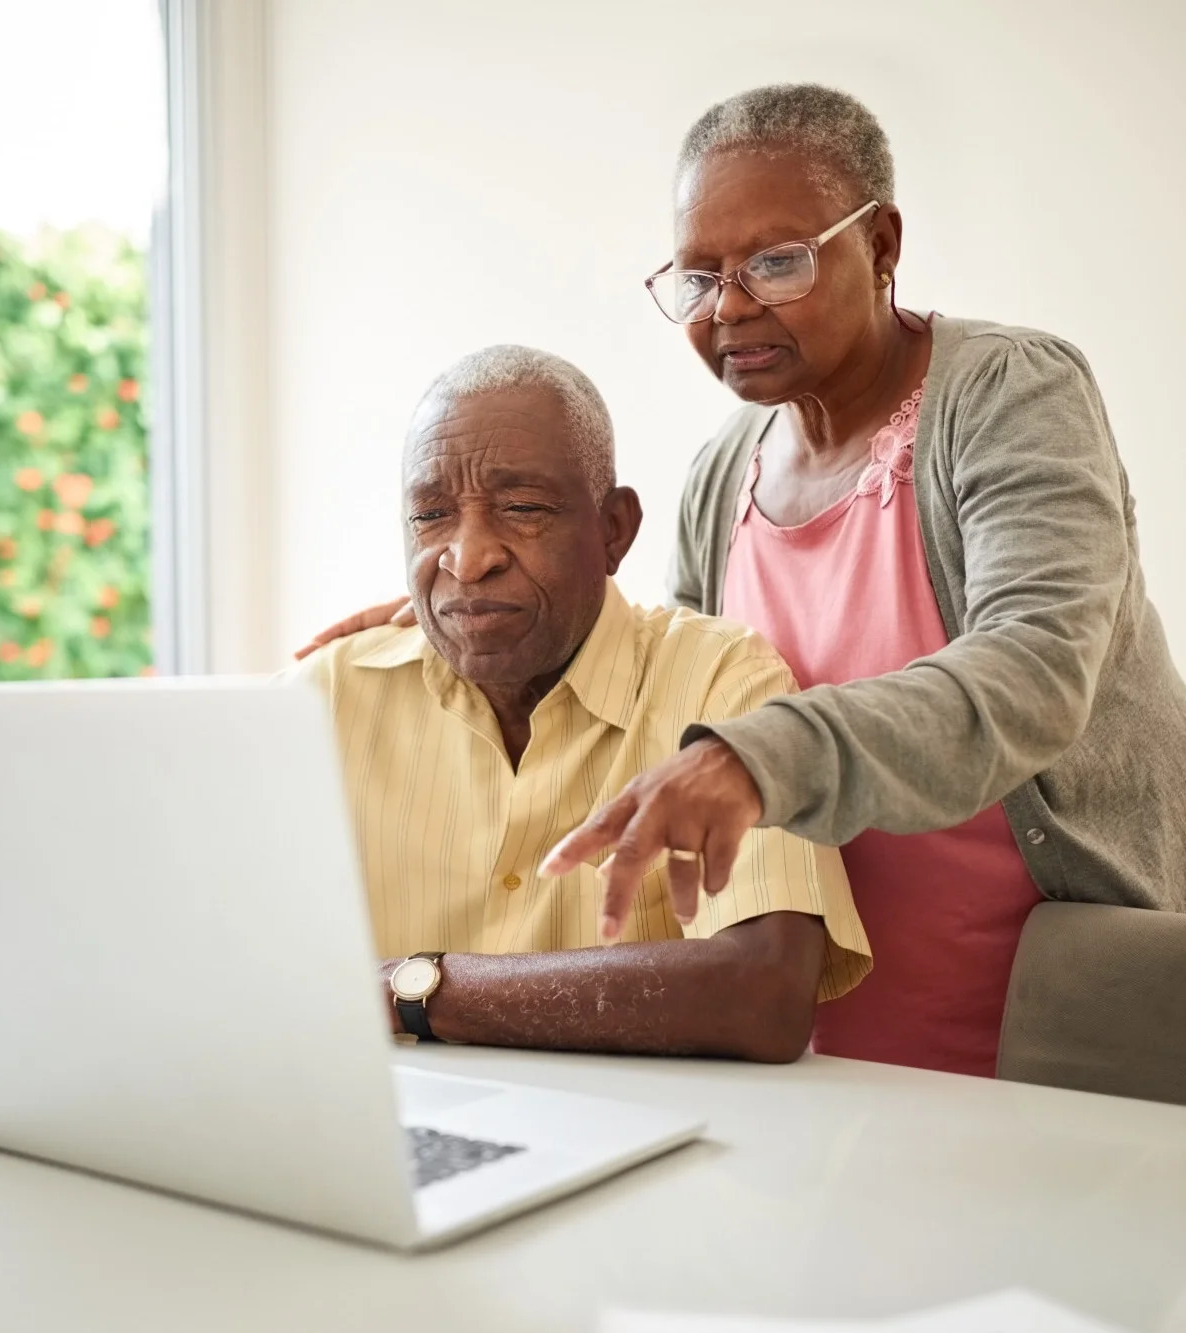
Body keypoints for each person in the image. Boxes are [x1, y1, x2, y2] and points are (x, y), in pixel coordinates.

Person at [300, 85, 1186, 1078]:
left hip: (1086, 983)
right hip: (867, 1020)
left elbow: (1035, 669)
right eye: (699, 276)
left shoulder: (1008, 393)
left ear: (883, 244)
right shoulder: (725, 472)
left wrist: (757, 759)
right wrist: (478, 603)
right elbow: (661, 683)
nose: (730, 306)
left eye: (777, 262)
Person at [293, 344, 870, 1064]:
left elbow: (763, 993)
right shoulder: (326, 697)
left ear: (614, 531)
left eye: (523, 509)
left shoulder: (719, 681)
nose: (467, 558)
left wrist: (421, 991)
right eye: (432, 515)